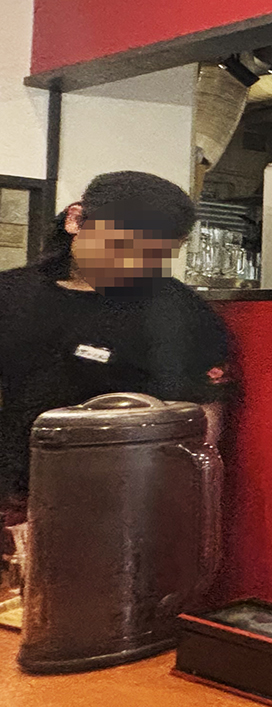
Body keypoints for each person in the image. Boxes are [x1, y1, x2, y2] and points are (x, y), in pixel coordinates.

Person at [0, 172, 232, 522]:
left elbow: (202, 422)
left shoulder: (177, 312)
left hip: (120, 507)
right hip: (12, 502)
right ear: (76, 220)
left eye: (153, 256)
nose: (131, 265)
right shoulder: (10, 295)